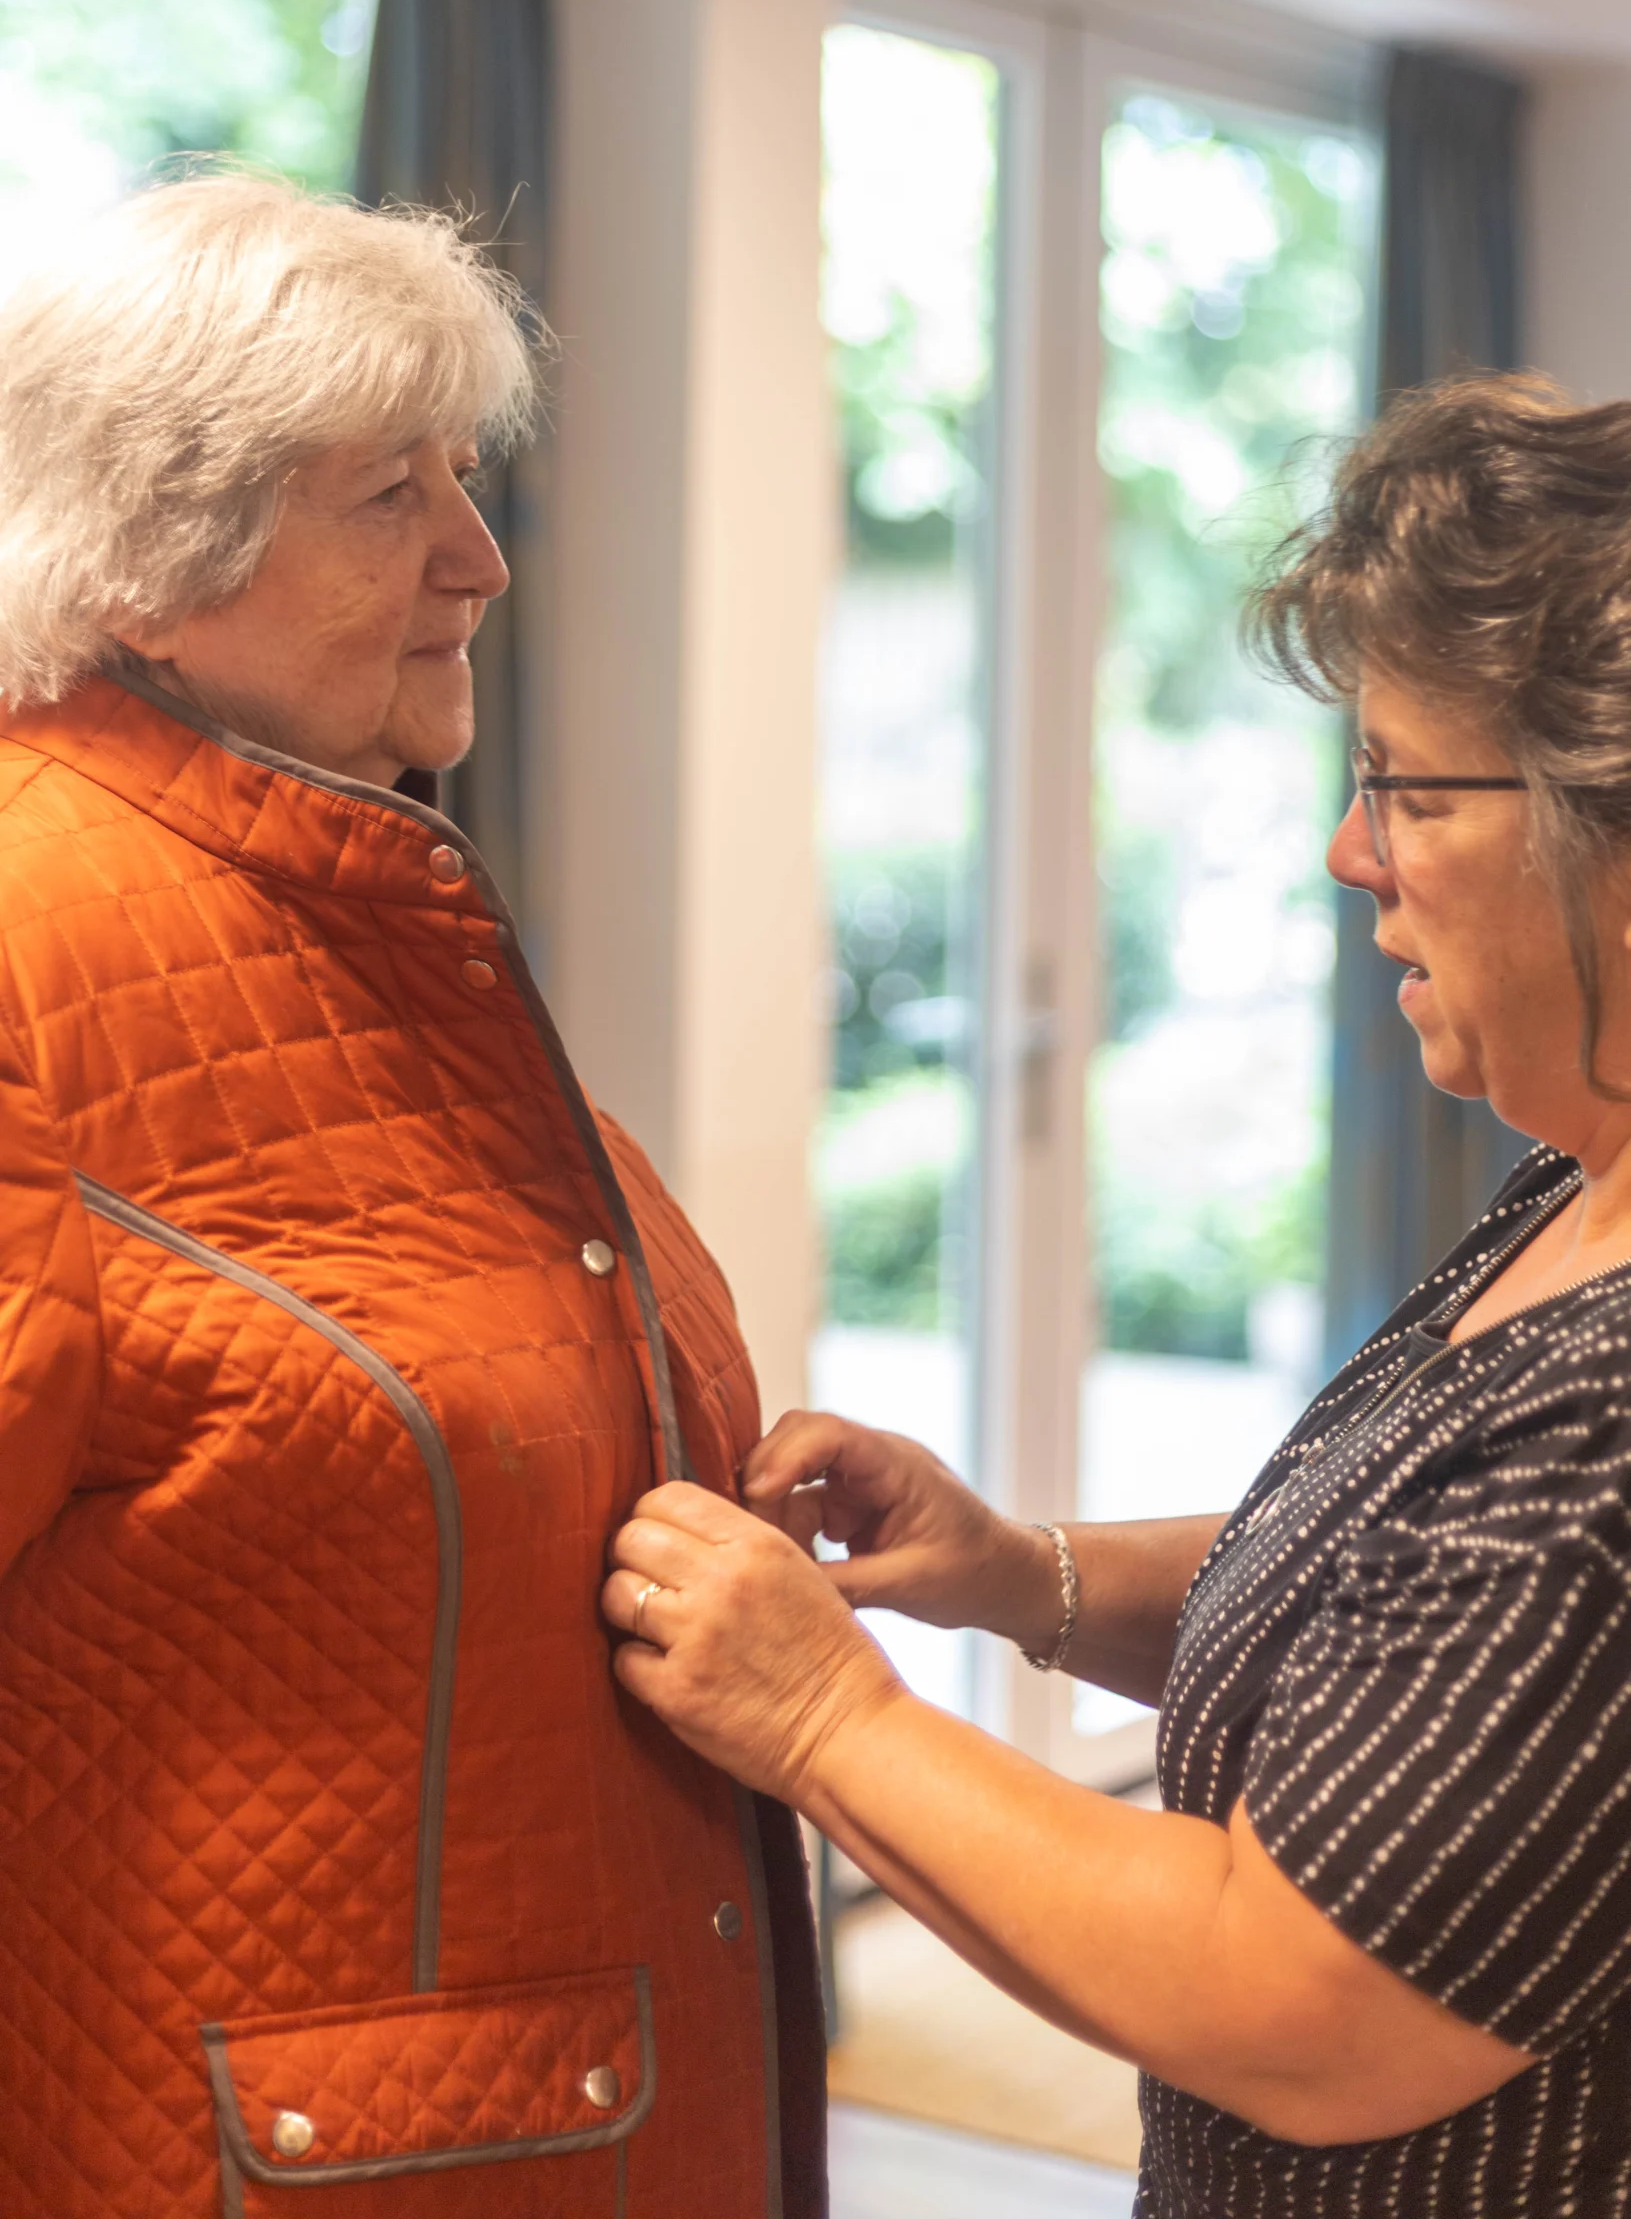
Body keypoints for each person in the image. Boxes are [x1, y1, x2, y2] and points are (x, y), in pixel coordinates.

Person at [607, 372, 1631, 2217]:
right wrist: (1025, 1577)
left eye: (1403, 787)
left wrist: (828, 1717)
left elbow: (1288, 2000)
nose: (1351, 855)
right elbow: (1399, 1623)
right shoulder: (1575, 1192)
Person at [0, 171, 822, 2219]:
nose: (481, 557)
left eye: (466, 479)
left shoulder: (364, 897)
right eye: (391, 497)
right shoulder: (34, 936)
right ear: (145, 556)